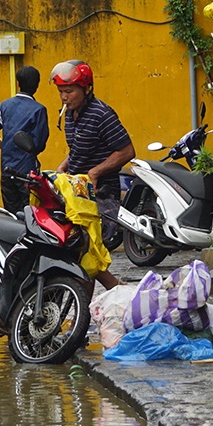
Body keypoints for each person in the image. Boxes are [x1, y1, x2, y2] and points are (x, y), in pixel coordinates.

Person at [52, 60, 133, 290]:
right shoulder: (70, 114)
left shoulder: (101, 114)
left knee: (87, 255)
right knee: (82, 255)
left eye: (69, 91)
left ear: (86, 89)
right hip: (77, 194)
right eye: (60, 92)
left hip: (102, 195)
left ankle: (102, 299)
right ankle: (114, 293)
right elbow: (78, 148)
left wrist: (95, 172)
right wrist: (63, 167)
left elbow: (127, 151)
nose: (64, 97)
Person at [0, 65, 49, 212]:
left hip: (7, 170)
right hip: (27, 173)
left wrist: (6, 146)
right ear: (37, 85)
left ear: (18, 83)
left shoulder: (5, 106)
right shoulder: (39, 110)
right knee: (30, 214)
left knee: (11, 215)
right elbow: (39, 145)